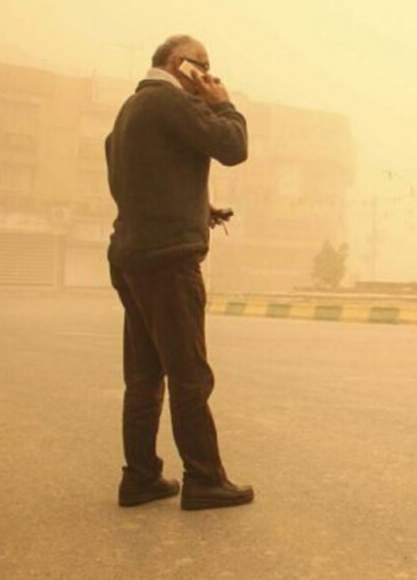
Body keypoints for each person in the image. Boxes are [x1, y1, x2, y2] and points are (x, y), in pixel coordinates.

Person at [105, 34, 253, 510]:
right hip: (168, 262)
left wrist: (194, 205)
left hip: (132, 255)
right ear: (178, 64)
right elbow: (232, 146)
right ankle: (205, 478)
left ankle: (141, 477)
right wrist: (224, 103)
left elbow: (127, 176)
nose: (207, 76)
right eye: (202, 67)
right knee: (189, 375)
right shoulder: (169, 102)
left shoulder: (130, 110)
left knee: (145, 375)